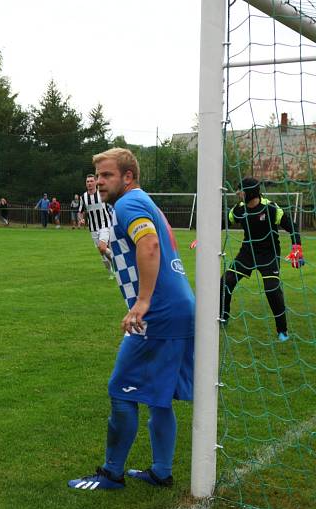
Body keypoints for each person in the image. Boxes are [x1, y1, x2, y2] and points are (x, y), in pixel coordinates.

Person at [68, 148, 195, 491]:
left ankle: (111, 474)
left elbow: (150, 245)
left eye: (107, 175)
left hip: (160, 312)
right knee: (159, 396)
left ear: (128, 177)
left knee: (121, 390)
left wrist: (142, 301)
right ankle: (160, 471)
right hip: (179, 307)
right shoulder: (143, 202)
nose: (99, 182)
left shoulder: (127, 204)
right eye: (98, 176)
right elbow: (145, 247)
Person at [220, 178, 303, 341]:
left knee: (272, 289)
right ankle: (223, 317)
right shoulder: (239, 209)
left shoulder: (270, 208)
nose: (238, 193)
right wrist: (204, 236)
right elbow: (222, 223)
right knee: (226, 282)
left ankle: (282, 331)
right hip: (247, 253)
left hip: (269, 254)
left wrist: (297, 247)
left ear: (250, 192)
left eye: (241, 190)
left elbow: (291, 227)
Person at [80, 174, 116, 279]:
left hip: (105, 225)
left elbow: (111, 206)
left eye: (91, 181)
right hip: (93, 228)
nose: (89, 183)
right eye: (87, 182)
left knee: (102, 247)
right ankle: (112, 271)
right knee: (102, 253)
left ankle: (117, 260)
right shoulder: (84, 197)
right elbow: (80, 211)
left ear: (96, 182)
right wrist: (81, 219)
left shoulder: (102, 194)